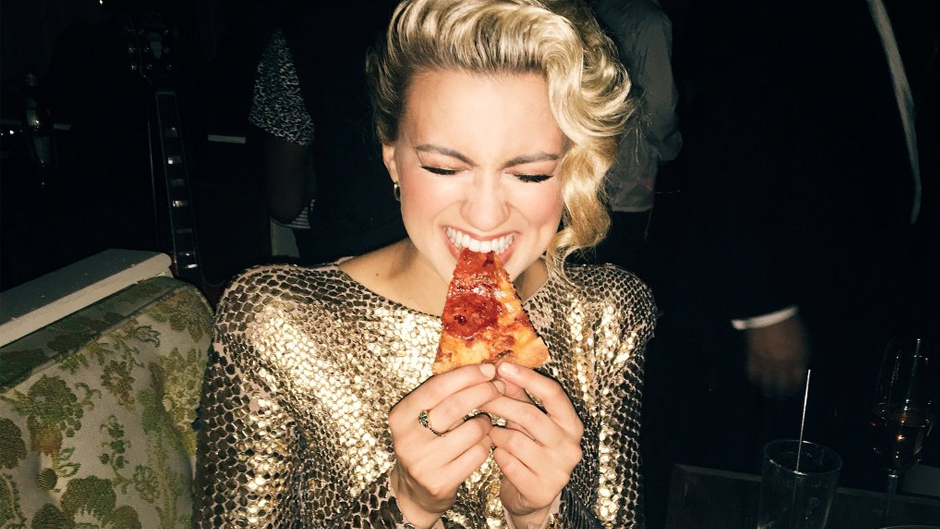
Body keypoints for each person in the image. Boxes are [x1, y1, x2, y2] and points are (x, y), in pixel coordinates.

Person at [192, 0, 656, 528]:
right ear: (392, 156)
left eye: (528, 175)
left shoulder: (607, 313)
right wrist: (402, 506)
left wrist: (540, 515)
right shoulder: (273, 319)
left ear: (573, 171)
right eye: (442, 167)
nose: (485, 215)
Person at [248, 1, 406, 265]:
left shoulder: (297, 33)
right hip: (369, 254)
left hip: (347, 247)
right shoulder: (448, 20)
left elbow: (284, 201)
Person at [587, 0, 682, 275]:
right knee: (619, 282)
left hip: (582, 174)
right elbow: (661, 107)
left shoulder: (590, 10)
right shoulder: (649, 20)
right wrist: (670, 148)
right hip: (628, 180)